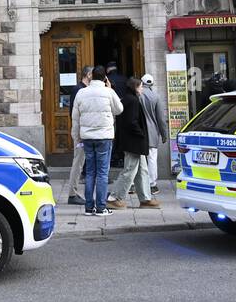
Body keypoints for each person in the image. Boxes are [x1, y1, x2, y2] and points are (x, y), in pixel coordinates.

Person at [71, 65, 123, 216]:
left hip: (87, 137)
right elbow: (119, 109)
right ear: (105, 78)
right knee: (102, 173)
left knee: (90, 173)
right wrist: (110, 88)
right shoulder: (108, 92)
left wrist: (76, 137)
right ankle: (100, 207)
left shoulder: (81, 93)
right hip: (104, 137)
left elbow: (76, 118)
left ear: (91, 76)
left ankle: (89, 207)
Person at [109, 76, 156, 208]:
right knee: (130, 169)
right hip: (134, 142)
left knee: (142, 170)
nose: (142, 89)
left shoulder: (127, 99)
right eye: (140, 86)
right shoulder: (133, 101)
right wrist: (141, 134)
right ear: (135, 87)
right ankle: (114, 197)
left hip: (133, 141)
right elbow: (131, 122)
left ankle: (145, 198)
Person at [64, 68, 93, 206]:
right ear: (88, 75)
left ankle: (75, 193)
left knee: (81, 162)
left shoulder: (83, 89)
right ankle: (72, 194)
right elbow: (75, 114)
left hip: (83, 131)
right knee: (78, 162)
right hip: (80, 132)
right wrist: (79, 133)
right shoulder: (79, 89)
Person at [139, 73, 168, 194]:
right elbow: (161, 119)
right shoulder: (156, 96)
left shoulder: (138, 95)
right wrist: (164, 134)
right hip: (152, 132)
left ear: (141, 82)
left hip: (139, 131)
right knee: (151, 159)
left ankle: (136, 183)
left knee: (137, 159)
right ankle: (152, 184)